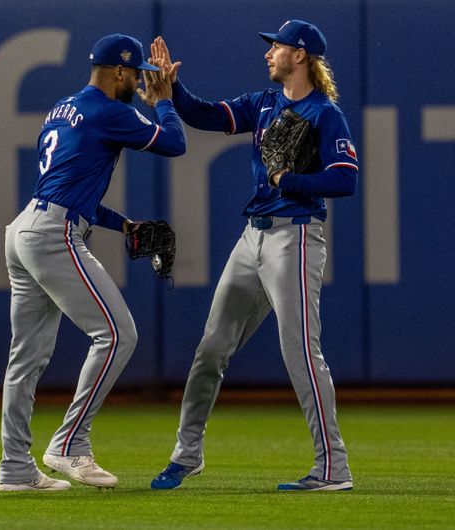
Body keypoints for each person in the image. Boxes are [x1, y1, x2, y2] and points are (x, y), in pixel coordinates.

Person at [147, 20, 358, 491]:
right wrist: (173, 88)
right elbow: (206, 115)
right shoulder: (264, 103)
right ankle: (186, 455)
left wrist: (292, 181)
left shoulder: (326, 114)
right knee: (211, 349)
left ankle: (333, 468)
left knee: (301, 351)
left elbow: (345, 178)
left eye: (277, 47)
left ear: (300, 55)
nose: (269, 53)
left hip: (295, 238)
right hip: (252, 238)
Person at [0, 33, 186, 492]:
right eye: (137, 73)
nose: (141, 81)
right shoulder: (110, 111)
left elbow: (66, 189)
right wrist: (164, 100)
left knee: (24, 361)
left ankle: (15, 468)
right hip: (51, 234)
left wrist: (122, 225)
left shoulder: (61, 108)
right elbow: (175, 143)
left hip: (25, 228)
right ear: (118, 72)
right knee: (118, 334)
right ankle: (69, 442)